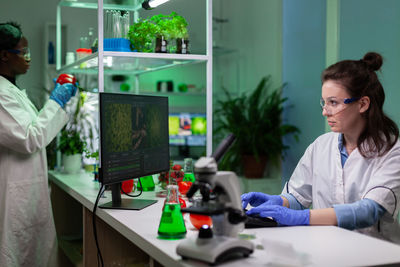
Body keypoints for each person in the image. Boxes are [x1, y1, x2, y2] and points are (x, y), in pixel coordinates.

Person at [242, 52, 400, 243]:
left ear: (363, 104)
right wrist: (277, 201)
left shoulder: (392, 150)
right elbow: (298, 197)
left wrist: (304, 217)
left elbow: (370, 210)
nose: (325, 112)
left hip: (378, 254)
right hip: (326, 249)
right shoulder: (321, 146)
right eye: (324, 103)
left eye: (333, 102)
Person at [0, 22, 77, 266]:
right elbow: (31, 139)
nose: (29, 58)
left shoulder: (12, 91)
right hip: (13, 199)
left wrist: (60, 102)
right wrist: (55, 102)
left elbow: (37, 131)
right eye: (24, 53)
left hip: (27, 196)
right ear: (3, 55)